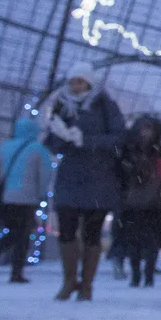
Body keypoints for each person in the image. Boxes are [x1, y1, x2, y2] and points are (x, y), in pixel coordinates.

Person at [44, 65, 127, 301]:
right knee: (67, 229)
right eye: (73, 82)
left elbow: (119, 137)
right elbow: (51, 143)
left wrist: (87, 141)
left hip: (99, 177)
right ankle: (69, 281)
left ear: (90, 83)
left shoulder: (104, 105)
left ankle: (87, 284)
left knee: (92, 232)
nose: (76, 86)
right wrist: (61, 137)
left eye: (81, 82)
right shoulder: (62, 105)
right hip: (70, 176)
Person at [0, 116, 56, 284]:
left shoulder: (4, 146)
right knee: (22, 235)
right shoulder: (38, 149)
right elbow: (45, 175)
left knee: (15, 232)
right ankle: (12, 270)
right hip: (28, 198)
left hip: (6, 197)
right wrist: (41, 194)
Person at [116, 115, 161, 289]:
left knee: (150, 241)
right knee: (135, 240)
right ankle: (136, 274)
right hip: (134, 202)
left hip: (153, 203)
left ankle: (147, 274)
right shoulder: (129, 150)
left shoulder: (160, 152)